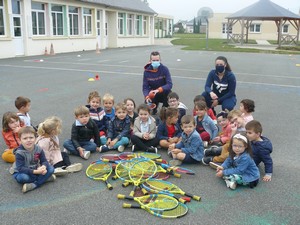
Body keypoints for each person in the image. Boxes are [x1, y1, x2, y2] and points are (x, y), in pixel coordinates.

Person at [11, 126, 56, 193]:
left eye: (31, 137)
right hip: (22, 172)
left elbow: (44, 161)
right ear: (20, 140)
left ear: (35, 138)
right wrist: (36, 172)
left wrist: (44, 166)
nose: (28, 140)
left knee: (51, 168)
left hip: (35, 169)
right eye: (25, 138)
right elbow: (20, 168)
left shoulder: (38, 149)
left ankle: (35, 184)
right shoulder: (19, 153)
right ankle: (44, 179)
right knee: (23, 178)